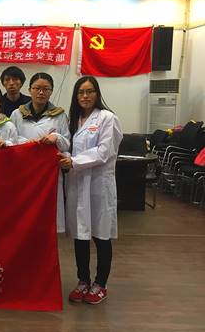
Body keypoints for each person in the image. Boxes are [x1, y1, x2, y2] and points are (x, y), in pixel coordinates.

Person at [58, 76, 122, 305]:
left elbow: (105, 151)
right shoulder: (74, 120)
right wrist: (64, 157)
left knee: (101, 235)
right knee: (80, 235)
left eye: (90, 91)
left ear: (97, 94)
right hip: (77, 184)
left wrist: (74, 161)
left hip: (98, 185)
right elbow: (69, 146)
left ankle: (100, 284)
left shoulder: (107, 118)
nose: (85, 96)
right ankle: (83, 280)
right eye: (81, 92)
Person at [10, 73, 70, 233]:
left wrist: (56, 137)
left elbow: (67, 144)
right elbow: (10, 140)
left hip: (48, 175)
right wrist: (25, 143)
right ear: (29, 90)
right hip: (24, 172)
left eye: (46, 89)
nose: (41, 92)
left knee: (46, 220)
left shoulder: (59, 115)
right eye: (37, 88)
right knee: (24, 218)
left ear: (51, 91)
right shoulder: (17, 114)